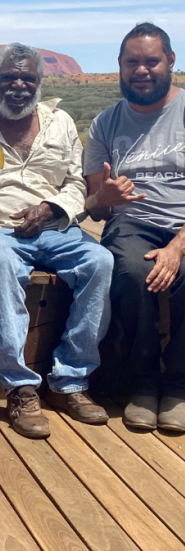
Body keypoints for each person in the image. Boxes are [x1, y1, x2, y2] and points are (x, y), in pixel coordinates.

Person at [0, 43, 113, 438]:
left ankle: (70, 379)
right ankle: (19, 386)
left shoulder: (60, 123)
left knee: (101, 261)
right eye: (9, 77)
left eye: (27, 78)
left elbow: (75, 184)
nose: (18, 84)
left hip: (57, 226)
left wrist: (52, 208)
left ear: (38, 83)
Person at [84, 23, 185, 432]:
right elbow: (96, 208)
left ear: (171, 62)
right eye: (132, 63)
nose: (141, 71)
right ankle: (143, 383)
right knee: (131, 268)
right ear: (120, 68)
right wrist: (105, 198)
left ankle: (177, 386)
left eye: (151, 61)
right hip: (132, 225)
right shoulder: (104, 124)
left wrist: (178, 246)